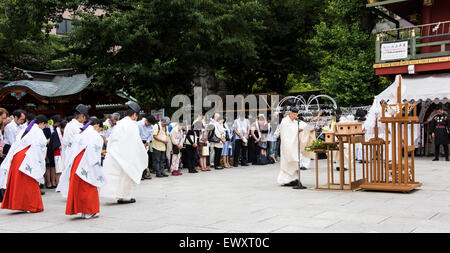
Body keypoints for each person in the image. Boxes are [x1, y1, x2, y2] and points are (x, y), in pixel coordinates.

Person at [100, 102, 148, 204]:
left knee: (118, 176)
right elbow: (135, 141)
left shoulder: (120, 123)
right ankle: (126, 196)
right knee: (126, 176)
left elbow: (112, 139)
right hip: (127, 155)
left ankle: (118, 196)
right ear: (134, 115)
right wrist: (142, 152)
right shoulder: (132, 125)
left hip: (116, 153)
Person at [0, 114, 48, 212]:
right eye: (44, 125)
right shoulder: (38, 131)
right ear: (42, 123)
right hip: (27, 157)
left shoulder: (26, 129)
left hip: (17, 157)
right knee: (29, 183)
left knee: (19, 183)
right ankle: (31, 205)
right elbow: (41, 146)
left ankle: (21, 205)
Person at [60, 117, 106, 219]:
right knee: (89, 186)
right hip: (87, 162)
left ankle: (83, 210)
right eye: (99, 128)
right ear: (97, 125)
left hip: (76, 162)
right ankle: (89, 210)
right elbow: (94, 153)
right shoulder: (95, 135)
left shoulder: (80, 134)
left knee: (80, 187)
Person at [277, 107, 304, 186]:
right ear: (290, 113)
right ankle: (285, 180)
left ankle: (293, 179)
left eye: (296, 115)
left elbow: (295, 130)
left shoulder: (295, 122)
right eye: (294, 115)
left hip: (294, 145)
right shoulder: (284, 121)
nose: (295, 116)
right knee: (287, 162)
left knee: (295, 161)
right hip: (287, 145)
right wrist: (297, 130)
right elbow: (286, 133)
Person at [62, 104, 88, 171]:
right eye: (85, 117)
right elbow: (67, 142)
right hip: (71, 154)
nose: (85, 119)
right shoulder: (72, 126)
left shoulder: (74, 125)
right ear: (82, 116)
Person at [44, 115, 62, 189]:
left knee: (53, 166)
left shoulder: (56, 130)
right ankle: (49, 182)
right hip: (48, 148)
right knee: (48, 166)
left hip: (52, 149)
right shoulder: (47, 129)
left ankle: (53, 182)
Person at [138, 114, 157, 180]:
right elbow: (137, 135)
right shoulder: (139, 124)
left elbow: (151, 135)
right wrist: (141, 144)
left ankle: (144, 174)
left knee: (145, 159)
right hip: (139, 142)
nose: (149, 125)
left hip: (146, 143)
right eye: (148, 123)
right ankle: (139, 175)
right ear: (146, 120)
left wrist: (147, 142)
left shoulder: (151, 126)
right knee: (139, 160)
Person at [50, 119, 67, 186]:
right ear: (62, 128)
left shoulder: (62, 133)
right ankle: (59, 184)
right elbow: (57, 145)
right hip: (58, 154)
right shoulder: (55, 133)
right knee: (59, 170)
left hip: (63, 153)